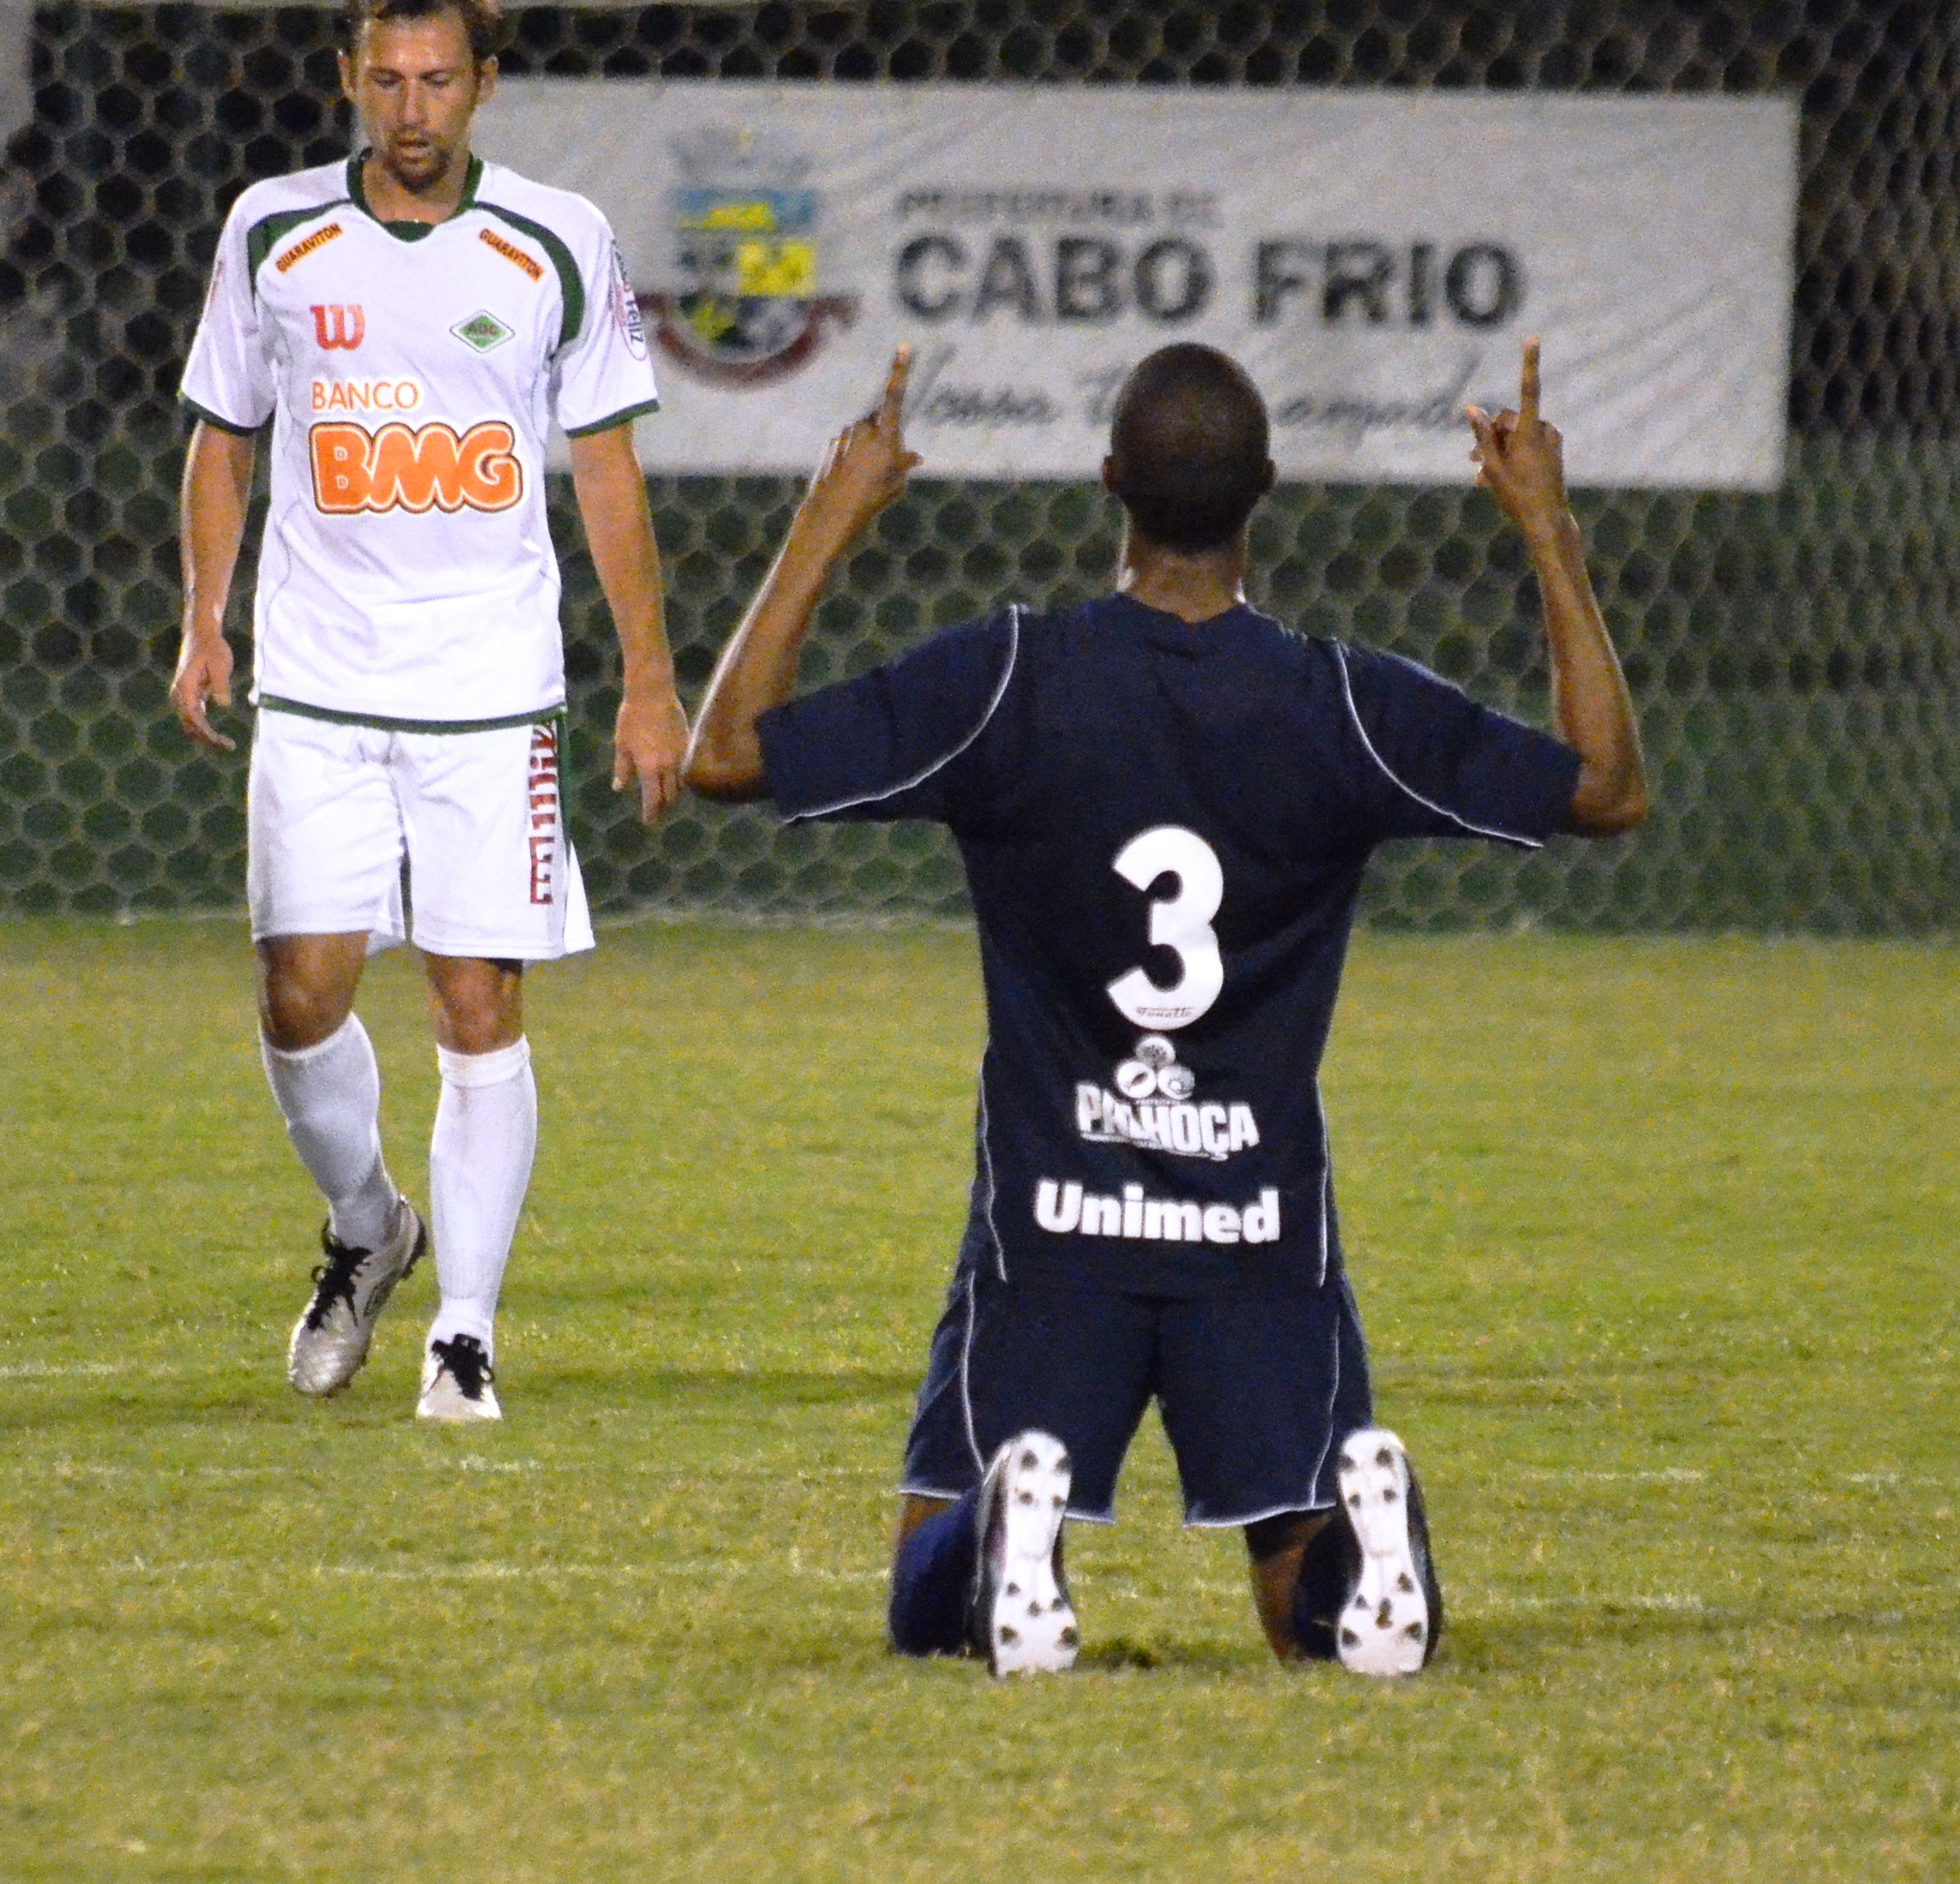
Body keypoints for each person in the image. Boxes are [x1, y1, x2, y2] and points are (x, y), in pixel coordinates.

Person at [684, 338, 1645, 1675]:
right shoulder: (1344, 704)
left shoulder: (1008, 679)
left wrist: (829, 514)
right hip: (1253, 1236)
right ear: (1264, 492)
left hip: (1054, 1231)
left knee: (926, 1588)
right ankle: (1371, 1563)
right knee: (1297, 1607)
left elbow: (725, 753)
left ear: (1107, 483)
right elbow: (1603, 787)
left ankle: (1007, 1537)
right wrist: (1545, 524)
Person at [169, 0, 687, 1423]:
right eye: (386, 80)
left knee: (475, 1004)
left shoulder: (557, 239)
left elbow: (604, 467)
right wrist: (204, 622)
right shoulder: (272, 229)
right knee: (298, 995)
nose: (411, 109)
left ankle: (463, 1331)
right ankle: (367, 1227)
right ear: (348, 79)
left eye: (438, 80)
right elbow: (223, 437)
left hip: (489, 687)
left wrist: (649, 680)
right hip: (320, 681)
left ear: (483, 85)